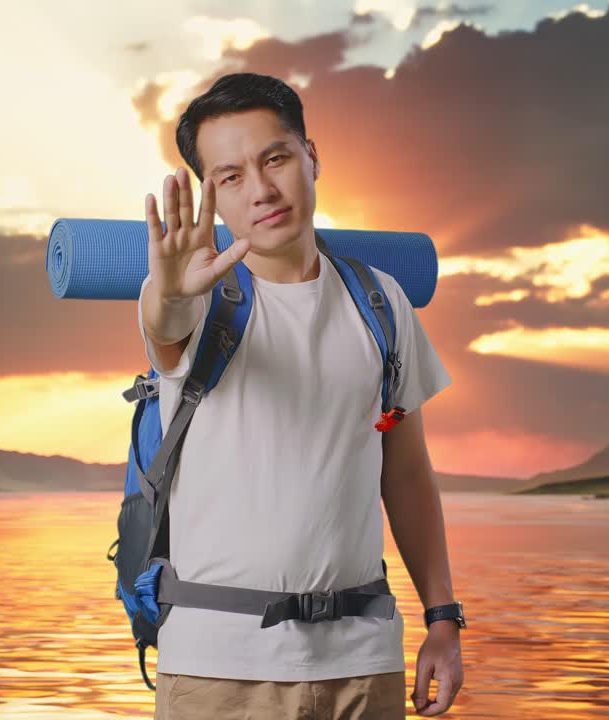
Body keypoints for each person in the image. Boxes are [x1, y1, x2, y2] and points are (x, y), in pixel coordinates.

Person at [138, 72, 463, 719]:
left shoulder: (382, 306)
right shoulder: (198, 304)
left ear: (311, 157)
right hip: (218, 670)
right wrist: (170, 294)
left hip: (364, 664)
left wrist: (443, 617)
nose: (261, 189)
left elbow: (404, 472)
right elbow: (162, 323)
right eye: (230, 176)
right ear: (211, 197)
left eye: (276, 158)